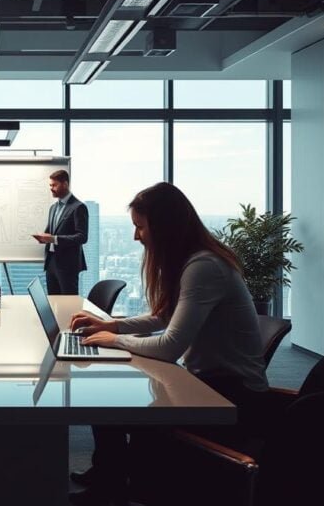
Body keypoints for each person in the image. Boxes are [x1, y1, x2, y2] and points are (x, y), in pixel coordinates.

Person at [65, 182, 269, 506]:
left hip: (233, 397)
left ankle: (118, 486)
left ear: (164, 226)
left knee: (120, 408)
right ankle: (110, 479)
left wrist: (116, 340)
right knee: (110, 399)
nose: (136, 236)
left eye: (140, 227)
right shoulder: (194, 262)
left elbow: (170, 345)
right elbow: (163, 317)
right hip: (211, 382)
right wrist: (112, 324)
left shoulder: (203, 266)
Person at [32, 169, 88, 295]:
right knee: (53, 301)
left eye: (54, 185)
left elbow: (82, 237)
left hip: (68, 265)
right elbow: (50, 231)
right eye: (50, 185)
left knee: (69, 304)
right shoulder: (53, 208)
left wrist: (54, 239)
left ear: (65, 184)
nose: (51, 188)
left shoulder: (78, 207)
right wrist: (43, 237)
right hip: (51, 263)